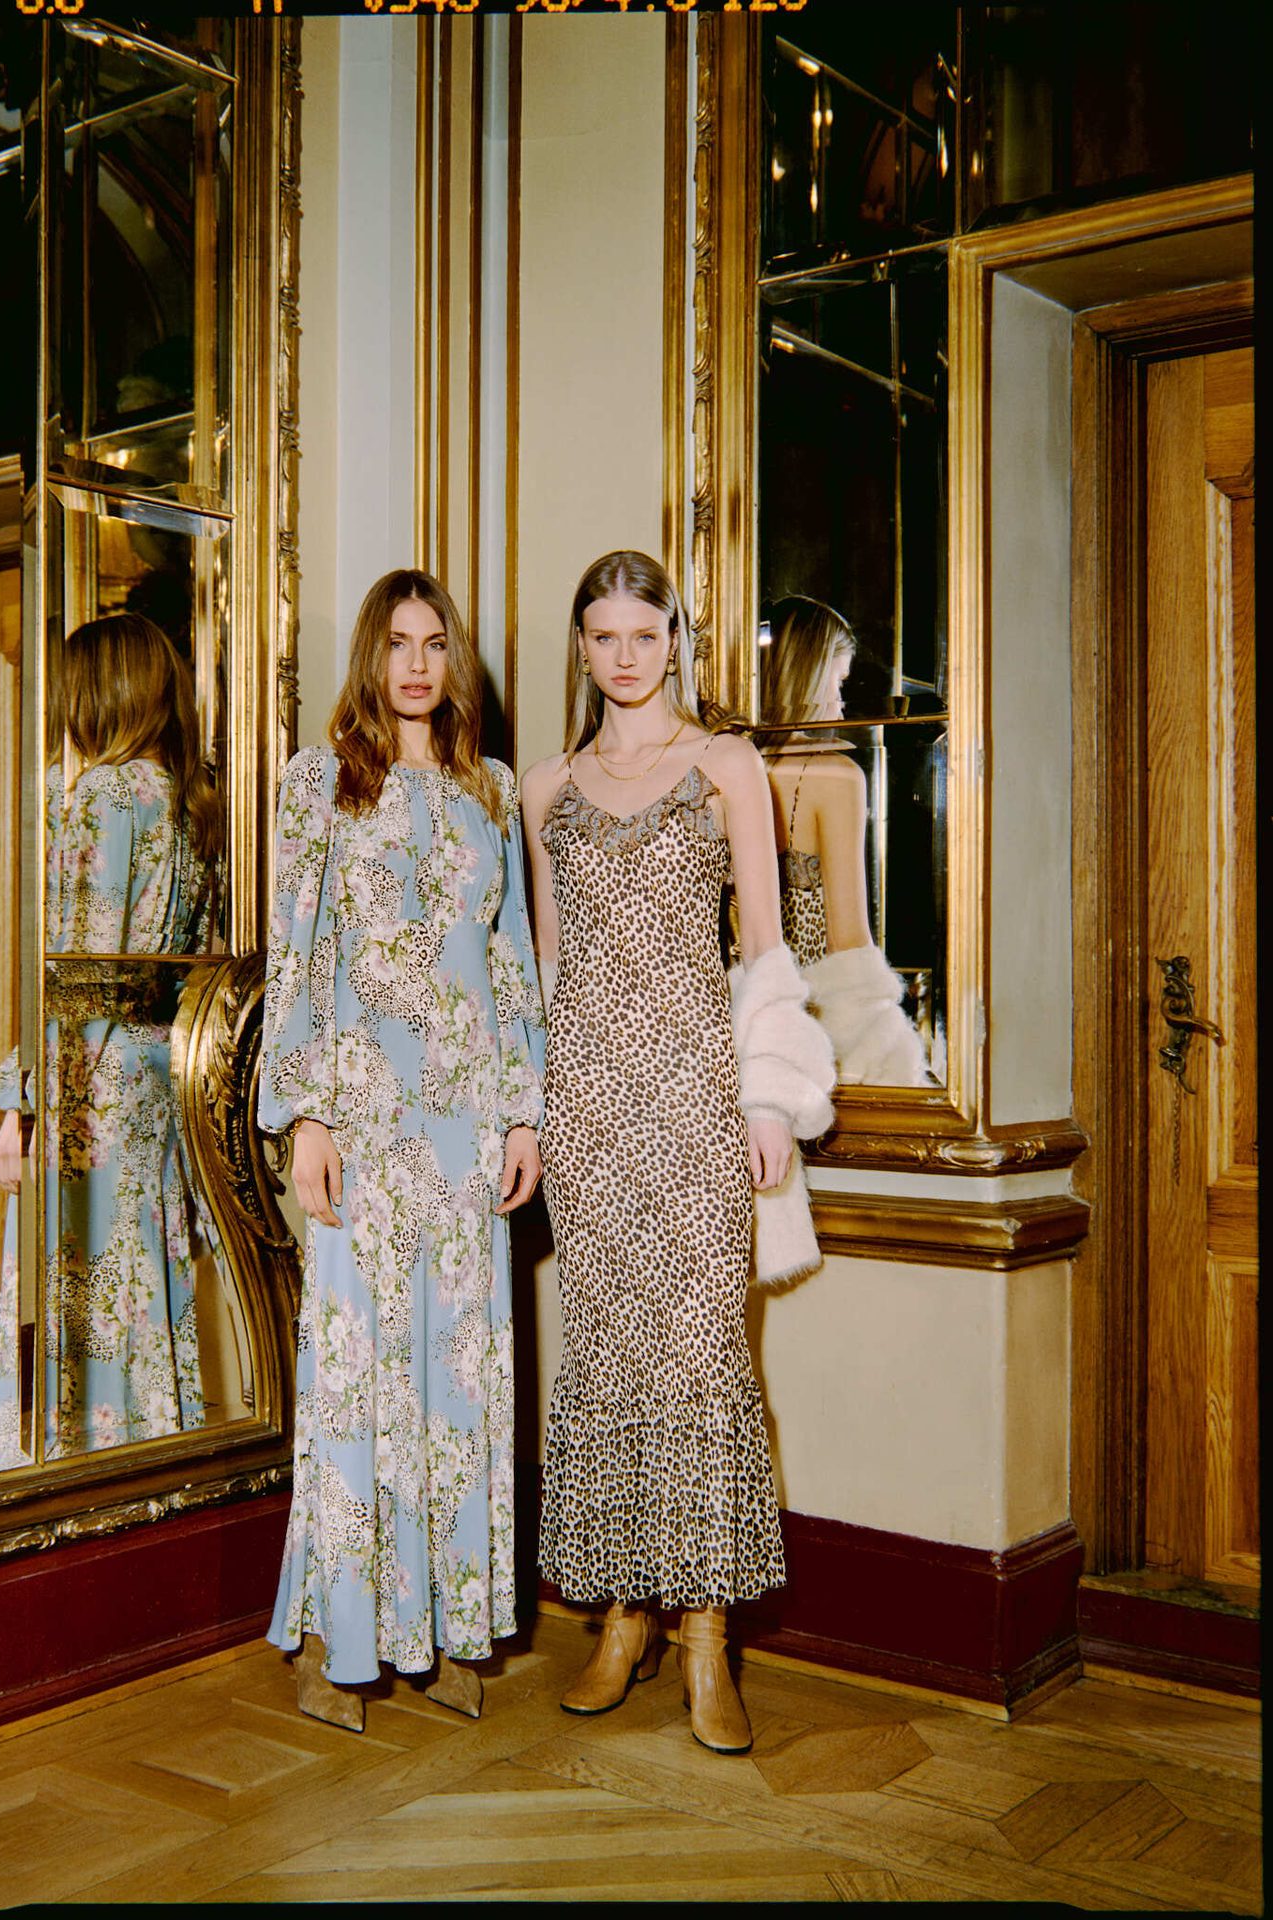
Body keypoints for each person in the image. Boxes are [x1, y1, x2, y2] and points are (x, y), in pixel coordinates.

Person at [520, 550, 837, 1754]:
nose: (623, 656)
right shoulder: (545, 786)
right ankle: (618, 1618)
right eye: (601, 635)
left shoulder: (725, 767)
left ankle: (707, 1637)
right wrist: (535, 1116)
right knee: (601, 1352)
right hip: (590, 1104)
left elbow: (766, 948)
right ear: (583, 647)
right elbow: (547, 978)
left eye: (643, 634)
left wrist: (769, 1102)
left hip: (700, 1097)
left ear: (675, 641)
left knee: (701, 1353)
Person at [258, 568, 546, 1732]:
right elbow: (296, 958)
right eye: (397, 642)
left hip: (469, 1126)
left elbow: (516, 960)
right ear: (371, 659)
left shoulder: (491, 791)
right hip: (362, 1122)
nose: (418, 664)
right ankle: (343, 1632)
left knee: (457, 1381)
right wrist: (307, 1119)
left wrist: (525, 1112)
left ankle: (443, 1630)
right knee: (355, 1374)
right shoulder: (317, 785)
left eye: (436, 644)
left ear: (455, 661)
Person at [0, 611, 224, 1464]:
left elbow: (74, 976)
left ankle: (74, 1472)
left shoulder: (99, 797)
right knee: (143, 1285)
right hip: (160, 1072)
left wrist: (20, 1104)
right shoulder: (192, 803)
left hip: (91, 1075)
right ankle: (147, 1474)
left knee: (81, 1290)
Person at [759, 595, 931, 1086]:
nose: (840, 702)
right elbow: (848, 937)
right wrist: (895, 1055)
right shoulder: (835, 776)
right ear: (809, 678)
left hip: (740, 1026)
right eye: (836, 683)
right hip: (816, 1032)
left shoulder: (729, 768)